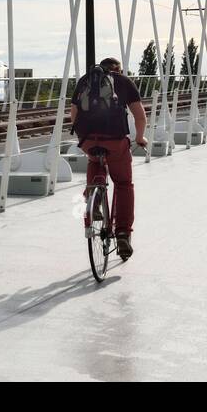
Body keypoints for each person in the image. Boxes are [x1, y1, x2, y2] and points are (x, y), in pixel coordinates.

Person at [71, 57, 147, 260]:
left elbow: (74, 114)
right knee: (123, 184)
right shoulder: (123, 81)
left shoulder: (85, 81)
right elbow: (139, 115)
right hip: (115, 141)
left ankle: (93, 200)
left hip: (88, 140)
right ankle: (123, 233)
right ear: (118, 69)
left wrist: (84, 139)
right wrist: (140, 137)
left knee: (95, 160)